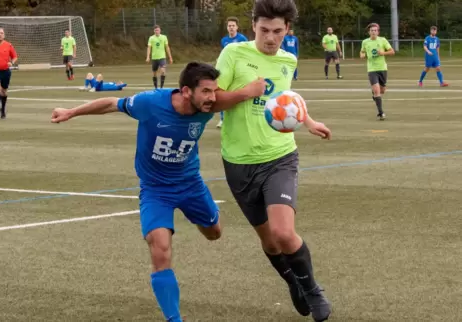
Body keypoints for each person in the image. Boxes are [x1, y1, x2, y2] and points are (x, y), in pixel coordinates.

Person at [52, 62, 240, 322]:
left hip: (190, 184)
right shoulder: (150, 103)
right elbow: (111, 103)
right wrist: (71, 112)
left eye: (214, 91)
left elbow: (239, 97)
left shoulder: (209, 107)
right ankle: (174, 319)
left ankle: (201, 216)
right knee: (160, 248)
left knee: (214, 233)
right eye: (206, 91)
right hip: (155, 189)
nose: (212, 98)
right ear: (187, 91)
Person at [213, 0, 332, 320]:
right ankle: (292, 281)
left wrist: (308, 121)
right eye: (264, 30)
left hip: (280, 156)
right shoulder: (233, 54)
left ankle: (312, 288)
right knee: (269, 241)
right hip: (238, 161)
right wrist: (245, 92)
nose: (270, 38)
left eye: (277, 31)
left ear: (287, 31)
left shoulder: (288, 60)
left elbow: (285, 103)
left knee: (282, 232)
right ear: (253, 26)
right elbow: (211, 101)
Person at [217, 16, 249, 128]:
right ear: (227, 27)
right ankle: (222, 119)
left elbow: (247, 53)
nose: (231, 28)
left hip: (239, 69)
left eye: (233, 26)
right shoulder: (224, 40)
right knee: (223, 91)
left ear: (237, 27)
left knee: (239, 92)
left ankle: (241, 118)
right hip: (227, 70)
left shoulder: (242, 39)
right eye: (229, 26)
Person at [360, 23, 395, 121]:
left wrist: (383, 53)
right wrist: (362, 54)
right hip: (372, 69)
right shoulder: (365, 42)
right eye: (372, 30)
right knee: (377, 91)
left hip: (382, 68)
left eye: (375, 30)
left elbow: (392, 51)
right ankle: (381, 113)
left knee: (382, 90)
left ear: (378, 31)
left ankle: (375, 94)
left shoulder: (383, 40)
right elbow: (362, 51)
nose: (374, 32)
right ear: (369, 32)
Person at [146, 25, 173, 89]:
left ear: (160, 30)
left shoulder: (164, 37)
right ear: (154, 31)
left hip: (162, 57)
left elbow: (167, 47)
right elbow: (149, 48)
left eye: (158, 30)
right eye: (155, 30)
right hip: (154, 58)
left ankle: (161, 87)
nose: (157, 31)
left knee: (163, 71)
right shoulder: (151, 38)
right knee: (154, 73)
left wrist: (170, 57)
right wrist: (148, 57)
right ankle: (155, 88)